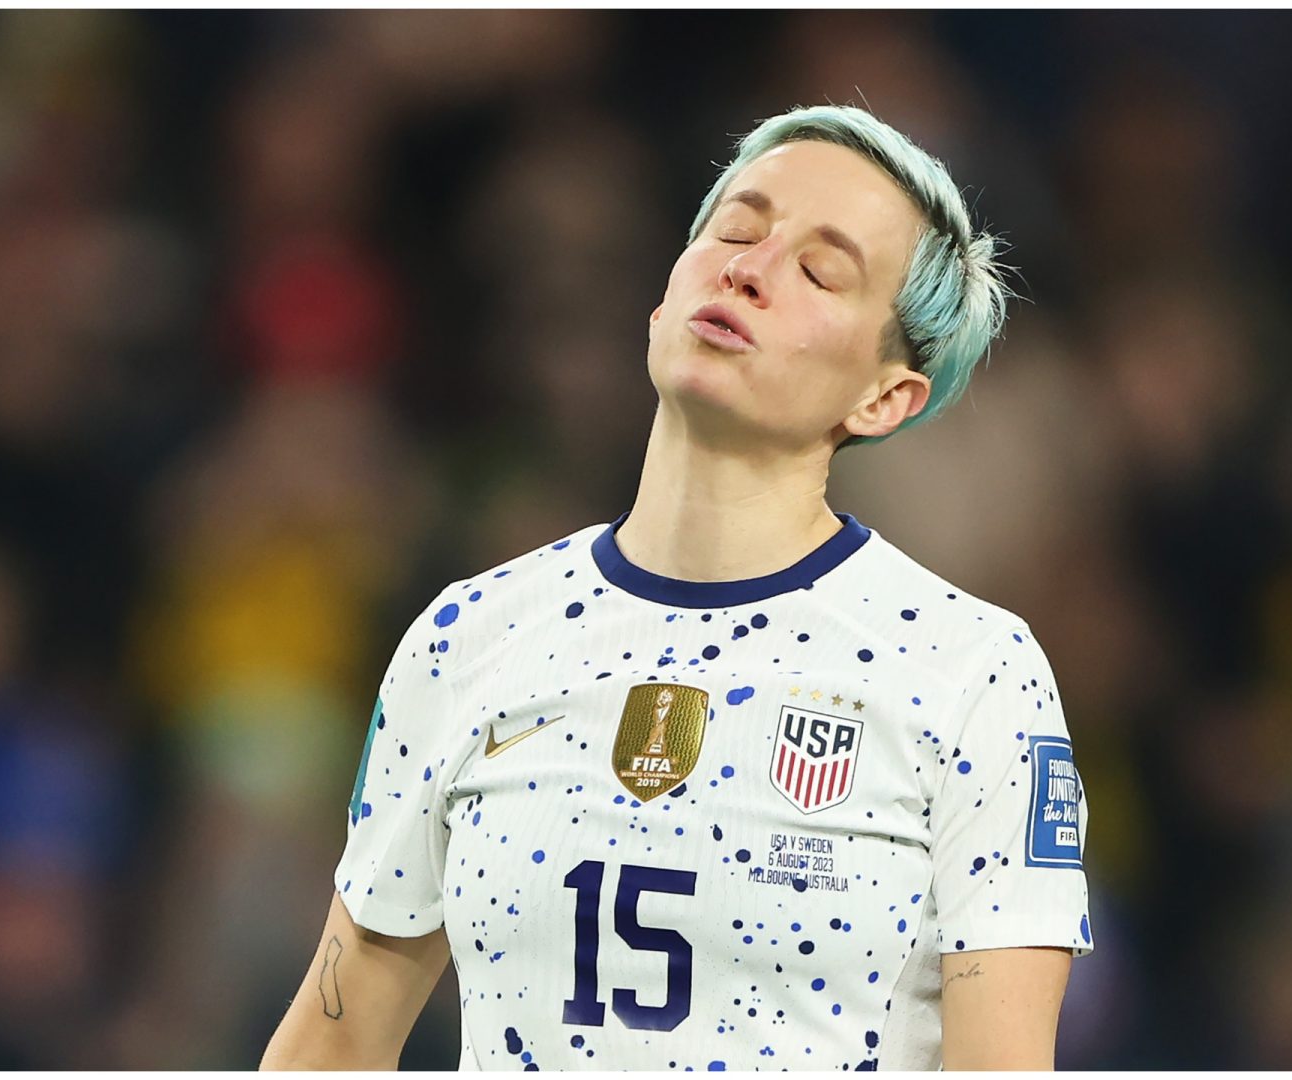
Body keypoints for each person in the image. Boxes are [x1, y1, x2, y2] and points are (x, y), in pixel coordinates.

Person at [261, 103, 1091, 1072]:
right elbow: (336, 1037)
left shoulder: (968, 672)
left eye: (821, 271)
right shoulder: (472, 635)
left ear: (885, 397)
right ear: (664, 297)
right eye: (736, 231)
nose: (751, 269)